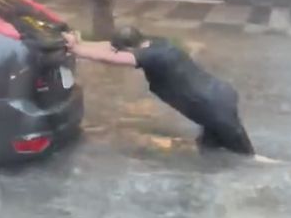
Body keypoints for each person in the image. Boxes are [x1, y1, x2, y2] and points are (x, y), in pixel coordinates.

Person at [64, 26, 256, 157]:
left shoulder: (151, 57)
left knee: (246, 158)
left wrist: (77, 50)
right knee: (210, 150)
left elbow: (112, 58)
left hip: (214, 108)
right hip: (216, 97)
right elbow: (110, 48)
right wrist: (80, 45)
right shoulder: (156, 43)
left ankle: (282, 168)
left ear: (129, 48)